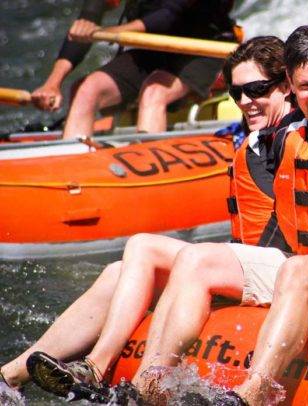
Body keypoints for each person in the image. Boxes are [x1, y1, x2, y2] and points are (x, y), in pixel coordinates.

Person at [0, 36, 292, 401]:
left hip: (282, 271)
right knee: (115, 273)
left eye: (257, 89)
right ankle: (9, 377)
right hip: (249, 262)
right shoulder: (257, 139)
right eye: (238, 94)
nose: (246, 102)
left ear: (286, 86)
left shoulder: (295, 139)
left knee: (143, 245)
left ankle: (97, 366)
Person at [30, 0, 237, 139]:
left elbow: (168, 15)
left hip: (204, 48)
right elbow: (88, 19)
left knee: (154, 91)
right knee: (86, 89)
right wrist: (53, 82)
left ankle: (147, 172)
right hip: (154, 47)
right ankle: (72, 171)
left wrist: (109, 32)